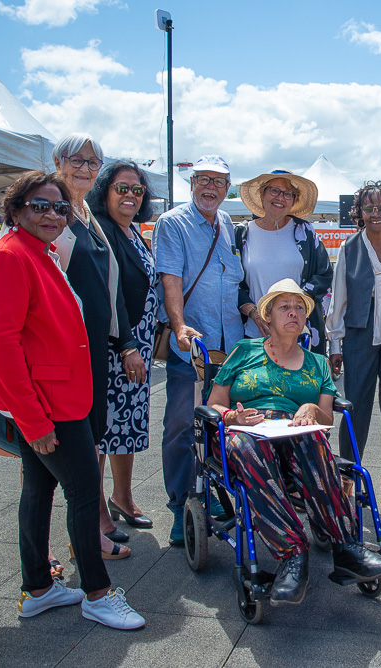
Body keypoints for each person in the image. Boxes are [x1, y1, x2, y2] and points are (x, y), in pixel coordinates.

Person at [0, 171, 144, 629]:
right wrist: (33, 421)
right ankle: (97, 591)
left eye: (59, 207)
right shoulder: (11, 257)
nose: (52, 214)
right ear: (15, 210)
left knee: (38, 491)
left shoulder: (40, 253)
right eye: (39, 205)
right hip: (49, 403)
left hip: (60, 397)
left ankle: (38, 588)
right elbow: (2, 345)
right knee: (82, 491)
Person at [208, 279, 381, 605]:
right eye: (284, 307)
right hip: (245, 430)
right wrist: (230, 418)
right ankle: (293, 552)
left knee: (314, 439)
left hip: (293, 431)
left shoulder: (317, 363)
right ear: (267, 315)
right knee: (250, 449)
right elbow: (214, 403)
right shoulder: (244, 351)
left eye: (299, 308)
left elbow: (327, 417)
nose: (293, 313)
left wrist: (310, 409)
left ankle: (346, 547)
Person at [152, 155, 245, 546]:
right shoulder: (172, 223)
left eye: (219, 182)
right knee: (180, 426)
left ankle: (217, 496)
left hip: (232, 347)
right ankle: (181, 504)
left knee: (225, 425)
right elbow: (170, 279)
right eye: (203, 179)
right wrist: (178, 326)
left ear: (228, 189)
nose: (211, 187)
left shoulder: (230, 227)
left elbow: (237, 283)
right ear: (191, 183)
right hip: (193, 347)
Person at [50, 132, 131, 560]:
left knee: (91, 439)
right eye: (76, 160)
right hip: (63, 351)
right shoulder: (52, 212)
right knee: (69, 452)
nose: (84, 168)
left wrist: (121, 340)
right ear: (59, 162)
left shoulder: (86, 215)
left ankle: (89, 529)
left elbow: (108, 285)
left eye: (92, 162)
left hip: (93, 349)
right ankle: (83, 538)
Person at [326, 181, 381, 510]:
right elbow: (338, 298)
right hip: (359, 327)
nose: (375, 213)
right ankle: (348, 475)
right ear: (359, 212)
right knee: (354, 405)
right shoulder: (350, 246)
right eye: (369, 208)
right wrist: (334, 343)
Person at [86, 160, 159, 533]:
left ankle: (123, 498)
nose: (130, 195)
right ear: (105, 191)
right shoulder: (102, 232)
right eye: (122, 188)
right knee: (103, 429)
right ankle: (99, 510)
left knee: (127, 426)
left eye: (137, 189)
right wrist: (127, 344)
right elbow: (107, 293)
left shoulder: (134, 233)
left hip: (139, 346)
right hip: (116, 347)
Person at [236, 170, 333, 355]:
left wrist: (294, 307)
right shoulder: (242, 234)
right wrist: (255, 312)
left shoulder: (305, 232)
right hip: (256, 332)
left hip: (299, 333)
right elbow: (232, 282)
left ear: (293, 201)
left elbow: (324, 273)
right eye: (274, 190)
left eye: (288, 193)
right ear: (262, 194)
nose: (280, 197)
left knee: (301, 383)